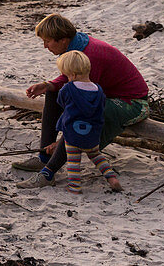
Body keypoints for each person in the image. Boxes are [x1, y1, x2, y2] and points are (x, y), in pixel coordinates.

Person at [15, 13, 148, 188]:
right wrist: (48, 85)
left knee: (79, 120)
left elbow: (82, 109)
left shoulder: (91, 54)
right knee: (53, 92)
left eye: (47, 41)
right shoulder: (77, 46)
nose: (45, 46)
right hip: (105, 93)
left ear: (63, 40)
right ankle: (44, 158)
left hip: (132, 103)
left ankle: (48, 173)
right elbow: (72, 79)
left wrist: (62, 141)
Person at [52, 50, 123, 193]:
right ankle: (111, 177)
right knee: (96, 156)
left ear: (72, 75)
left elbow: (61, 102)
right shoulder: (98, 90)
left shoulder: (68, 88)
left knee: (73, 160)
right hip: (93, 133)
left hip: (73, 133)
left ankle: (74, 186)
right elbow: (102, 106)